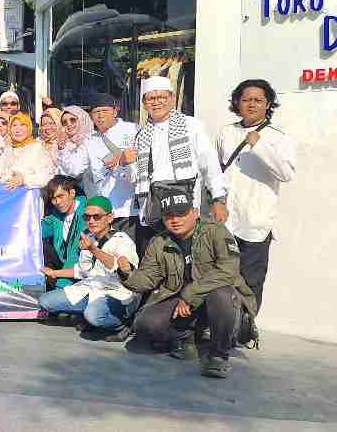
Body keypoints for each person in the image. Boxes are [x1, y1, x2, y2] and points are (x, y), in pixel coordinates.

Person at [119, 196, 258, 378]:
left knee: (221, 294)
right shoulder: (159, 242)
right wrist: (127, 272)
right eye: (169, 216)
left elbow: (228, 271)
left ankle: (219, 354)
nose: (175, 220)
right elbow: (147, 279)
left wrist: (190, 294)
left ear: (196, 213)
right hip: (184, 304)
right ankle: (187, 338)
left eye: (181, 214)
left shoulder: (216, 232)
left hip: (217, 299)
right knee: (145, 324)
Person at [216, 79, 295, 311]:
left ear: (267, 103)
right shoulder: (227, 132)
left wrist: (260, 147)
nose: (252, 105)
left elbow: (286, 173)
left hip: (257, 222)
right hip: (226, 220)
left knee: (251, 281)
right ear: (237, 103)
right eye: (246, 99)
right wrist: (217, 203)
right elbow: (216, 173)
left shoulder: (278, 137)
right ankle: (220, 328)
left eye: (258, 100)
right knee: (220, 277)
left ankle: (243, 328)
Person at [132, 76, 227, 261]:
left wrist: (219, 199)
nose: (157, 102)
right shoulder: (141, 135)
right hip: (154, 209)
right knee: (156, 261)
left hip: (185, 205)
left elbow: (210, 164)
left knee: (187, 260)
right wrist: (127, 163)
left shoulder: (191, 126)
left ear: (172, 98)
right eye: (151, 98)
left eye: (162, 97)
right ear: (144, 103)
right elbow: (135, 178)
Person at [39, 196, 139, 342]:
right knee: (45, 301)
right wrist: (54, 273)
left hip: (115, 294)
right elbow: (82, 271)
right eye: (87, 217)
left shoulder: (122, 240)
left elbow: (120, 268)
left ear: (110, 217)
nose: (91, 221)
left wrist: (93, 249)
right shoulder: (88, 237)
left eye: (96, 216)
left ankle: (121, 324)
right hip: (89, 289)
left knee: (93, 315)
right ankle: (90, 315)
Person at [59, 94, 139, 241]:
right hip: (104, 213)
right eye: (96, 112)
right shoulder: (90, 141)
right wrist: (62, 147)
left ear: (115, 111)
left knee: (128, 258)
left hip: (130, 210)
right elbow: (74, 169)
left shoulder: (133, 130)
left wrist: (123, 162)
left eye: (105, 111)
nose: (100, 116)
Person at [40, 176, 86, 292]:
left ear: (72, 193)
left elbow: (75, 255)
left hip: (82, 270)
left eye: (60, 196)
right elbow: (37, 231)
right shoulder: (57, 214)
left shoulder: (86, 215)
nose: (57, 202)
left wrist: (61, 286)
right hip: (63, 267)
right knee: (38, 243)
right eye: (54, 199)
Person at [0, 113, 55, 190]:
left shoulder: (37, 148)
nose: (18, 129)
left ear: (29, 128)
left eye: (22, 125)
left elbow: (46, 176)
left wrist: (24, 180)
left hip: (28, 199)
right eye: (14, 126)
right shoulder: (7, 150)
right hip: (7, 198)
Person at [56, 105, 96, 194]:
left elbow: (75, 170)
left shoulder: (92, 139)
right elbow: (62, 173)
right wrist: (62, 148)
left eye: (73, 120)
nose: (69, 124)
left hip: (95, 194)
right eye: (64, 122)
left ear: (81, 119)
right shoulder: (63, 144)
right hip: (73, 196)